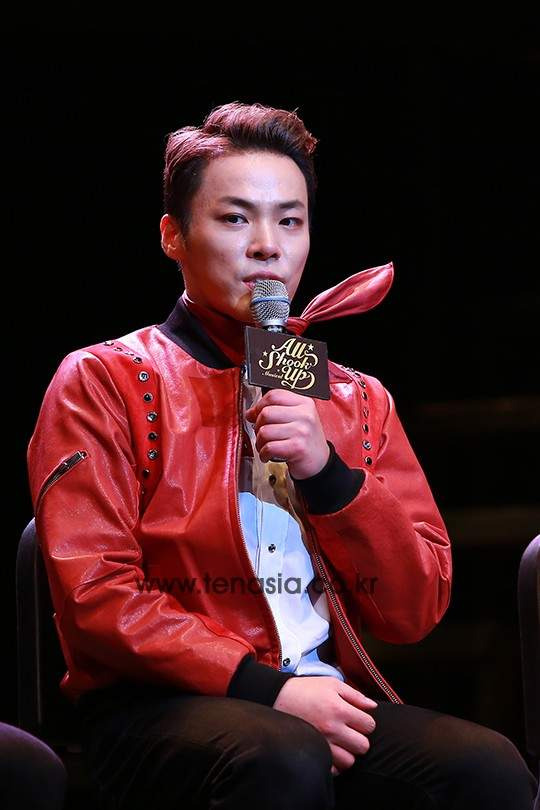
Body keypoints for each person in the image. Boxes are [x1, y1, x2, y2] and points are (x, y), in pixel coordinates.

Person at [27, 101, 538, 809]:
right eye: (236, 219)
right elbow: (98, 596)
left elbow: (415, 608)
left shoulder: (355, 397)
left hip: (319, 693)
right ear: (173, 236)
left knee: (487, 768)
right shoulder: (106, 381)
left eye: (290, 222)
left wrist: (328, 474)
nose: (268, 246)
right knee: (282, 756)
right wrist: (268, 690)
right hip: (158, 703)